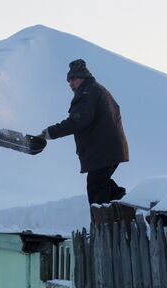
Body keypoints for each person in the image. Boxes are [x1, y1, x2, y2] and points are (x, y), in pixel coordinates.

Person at [41, 59, 129, 205]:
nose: (70, 83)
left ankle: (103, 223)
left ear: (83, 77)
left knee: (96, 188)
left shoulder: (88, 92)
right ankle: (124, 205)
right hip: (108, 149)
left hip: (103, 150)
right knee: (101, 183)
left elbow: (78, 121)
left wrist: (49, 132)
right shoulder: (96, 90)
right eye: (69, 80)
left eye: (73, 78)